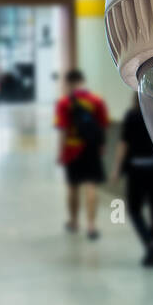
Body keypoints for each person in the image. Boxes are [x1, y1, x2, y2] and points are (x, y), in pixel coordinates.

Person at [110, 93, 153, 267]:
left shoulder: (132, 116)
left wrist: (116, 170)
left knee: (134, 209)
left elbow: (123, 145)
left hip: (137, 170)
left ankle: (148, 241)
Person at [55, 68, 110, 239]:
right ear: (82, 81)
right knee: (91, 186)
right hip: (92, 148)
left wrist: (60, 151)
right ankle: (92, 226)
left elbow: (63, 129)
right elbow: (103, 125)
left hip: (73, 149)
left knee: (73, 187)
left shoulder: (64, 103)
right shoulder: (96, 100)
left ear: (69, 83)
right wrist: (102, 145)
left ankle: (73, 221)